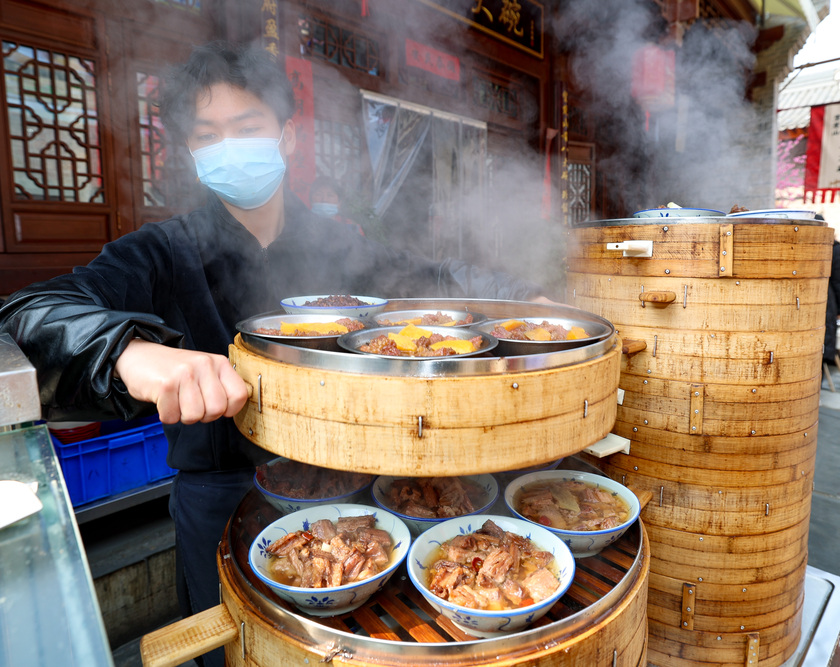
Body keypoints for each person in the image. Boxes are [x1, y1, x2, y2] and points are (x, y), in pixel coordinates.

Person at [0, 43, 547, 667]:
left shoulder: (338, 245)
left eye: (247, 127)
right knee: (233, 652)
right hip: (221, 496)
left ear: (286, 136)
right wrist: (127, 351)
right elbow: (28, 313)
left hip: (347, 486)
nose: (229, 147)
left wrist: (519, 298)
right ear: (191, 154)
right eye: (208, 135)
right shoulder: (160, 251)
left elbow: (430, 279)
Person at [823, 237, 840, 369]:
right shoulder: (832, 246)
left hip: (825, 297)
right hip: (825, 297)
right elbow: (839, 280)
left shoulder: (833, 247)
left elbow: (839, 279)